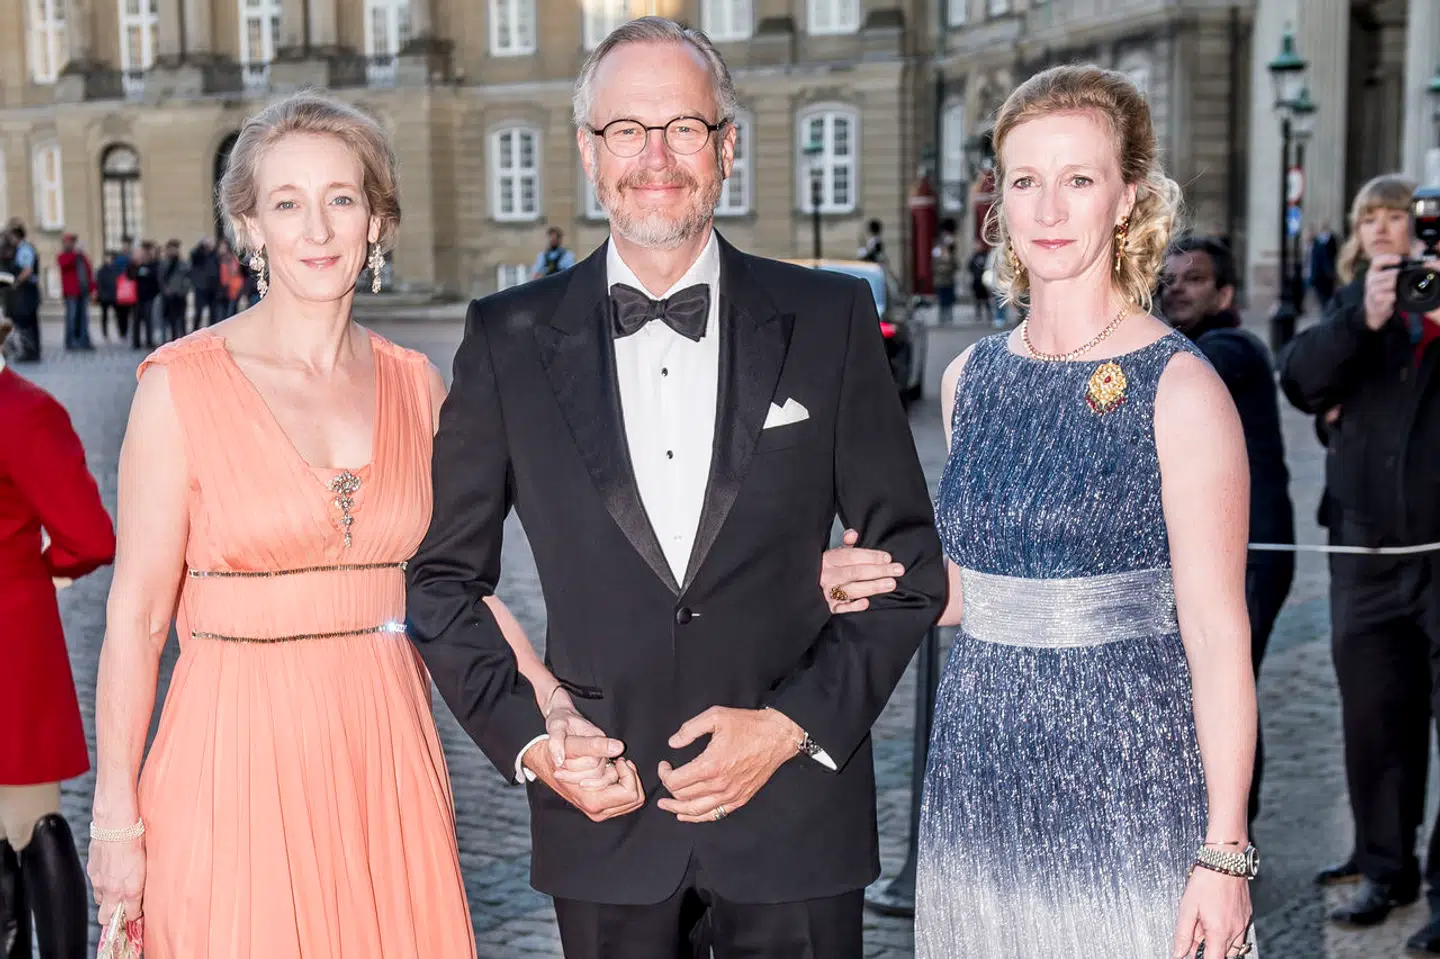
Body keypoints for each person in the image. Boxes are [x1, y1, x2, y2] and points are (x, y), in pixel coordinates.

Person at [406, 18, 946, 959]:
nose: (655, 157)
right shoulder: (507, 338)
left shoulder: (830, 319)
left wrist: (786, 728)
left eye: (684, 128)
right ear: (588, 151)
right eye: (627, 130)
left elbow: (909, 569)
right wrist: (535, 744)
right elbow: (441, 580)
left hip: (796, 823)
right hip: (603, 817)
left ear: (727, 147)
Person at [84, 92, 624, 958]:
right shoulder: (177, 388)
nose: (318, 228)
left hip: (386, 752)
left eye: (342, 198)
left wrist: (552, 702)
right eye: (286, 203)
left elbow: (455, 590)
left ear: (377, 220)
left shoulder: (420, 387)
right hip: (232, 757)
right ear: (249, 226)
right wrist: (115, 818)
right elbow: (138, 621)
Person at [905, 65, 1257, 957]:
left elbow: (1218, 636)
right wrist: (860, 577)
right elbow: (970, 591)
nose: (1049, 210)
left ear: (1126, 198)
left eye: (1079, 179)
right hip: (978, 777)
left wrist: (1225, 852)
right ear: (999, 200)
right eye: (1026, 181)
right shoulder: (969, 380)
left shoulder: (1179, 388)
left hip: (1130, 785)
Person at [1279, 172, 1440, 950]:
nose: (1382, 228)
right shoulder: (1352, 304)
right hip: (1365, 551)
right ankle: (1384, 866)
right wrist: (1365, 320)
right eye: (1369, 216)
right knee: (1375, 719)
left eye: (1396, 216)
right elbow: (1301, 380)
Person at [1162, 235, 1295, 827]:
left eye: (1193, 279)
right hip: (1221, 549)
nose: (1175, 287)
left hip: (1253, 553)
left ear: (1225, 293)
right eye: (1168, 276)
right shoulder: (1186, 347)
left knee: (1228, 682)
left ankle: (1233, 830)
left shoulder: (1230, 348)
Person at [0, 313, 117, 958]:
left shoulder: (22, 413)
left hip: (8, 644)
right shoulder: (22, 409)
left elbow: (94, 539)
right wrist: (38, 571)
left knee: (25, 820)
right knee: (19, 818)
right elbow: (87, 539)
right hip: (11, 626)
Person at [6, 223, 42, 362]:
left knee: (27, 321)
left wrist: (16, 283)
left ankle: (31, 351)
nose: (10, 240)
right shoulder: (20, 249)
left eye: (11, 237)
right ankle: (29, 351)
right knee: (26, 322)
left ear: (17, 236)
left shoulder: (25, 249)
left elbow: (27, 270)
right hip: (25, 291)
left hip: (26, 292)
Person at [56, 234, 95, 351]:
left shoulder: (81, 257)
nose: (70, 244)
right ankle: (70, 341)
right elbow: (65, 264)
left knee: (83, 318)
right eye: (68, 242)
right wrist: (76, 254)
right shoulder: (63, 256)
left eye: (72, 242)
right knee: (71, 318)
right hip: (71, 293)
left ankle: (84, 341)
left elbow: (89, 272)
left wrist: (93, 288)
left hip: (82, 291)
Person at [157, 240, 191, 343]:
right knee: (169, 321)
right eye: (171, 249)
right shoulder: (164, 264)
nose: (173, 251)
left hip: (180, 297)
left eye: (175, 249)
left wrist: (183, 291)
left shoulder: (183, 264)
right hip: (168, 298)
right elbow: (160, 279)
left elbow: (188, 279)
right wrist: (165, 290)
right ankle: (172, 341)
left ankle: (183, 340)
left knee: (181, 320)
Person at [127, 242, 159, 350]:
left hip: (149, 296)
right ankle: (136, 342)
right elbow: (129, 276)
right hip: (137, 297)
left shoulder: (153, 264)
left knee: (148, 320)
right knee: (136, 320)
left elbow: (156, 279)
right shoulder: (136, 265)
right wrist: (135, 264)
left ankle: (149, 341)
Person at [188, 237, 221, 331]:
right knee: (198, 312)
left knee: (213, 314)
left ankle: (213, 331)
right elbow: (193, 254)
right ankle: (195, 331)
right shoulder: (199, 255)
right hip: (200, 288)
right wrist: (201, 245)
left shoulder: (214, 255)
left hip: (213, 288)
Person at [96, 251, 127, 343]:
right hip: (105, 297)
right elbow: (99, 283)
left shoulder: (118, 269)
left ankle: (122, 334)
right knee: (104, 316)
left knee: (119, 316)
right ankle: (105, 334)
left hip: (115, 296)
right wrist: (101, 295)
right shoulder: (101, 270)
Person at [1309, 220, 1340, 311]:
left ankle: (1328, 312)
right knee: (1322, 299)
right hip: (1319, 275)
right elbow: (1314, 260)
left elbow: (1335, 254)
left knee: (1328, 297)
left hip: (1329, 274)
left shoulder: (1332, 239)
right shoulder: (1316, 241)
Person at [931, 219, 957, 325]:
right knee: (942, 297)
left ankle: (948, 314)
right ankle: (943, 315)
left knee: (948, 297)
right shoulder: (939, 246)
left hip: (948, 278)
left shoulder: (950, 243)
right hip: (941, 278)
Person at [216, 238, 244, 321]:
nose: (221, 249)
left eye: (223, 246)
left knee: (230, 314)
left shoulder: (232, 259)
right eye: (220, 246)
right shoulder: (217, 259)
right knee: (221, 316)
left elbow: (237, 272)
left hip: (233, 289)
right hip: (221, 291)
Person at [969, 243, 993, 326]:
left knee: (986, 299)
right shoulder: (974, 256)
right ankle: (978, 314)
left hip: (985, 280)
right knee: (977, 299)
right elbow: (970, 267)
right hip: (976, 280)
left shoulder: (986, 255)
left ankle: (989, 314)